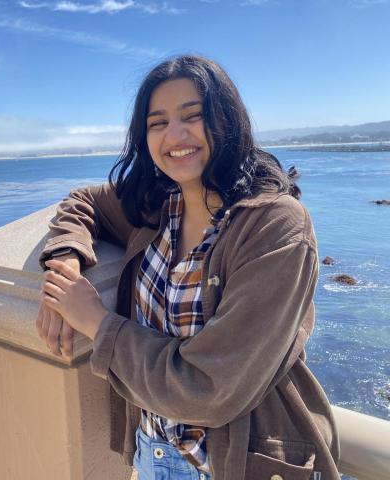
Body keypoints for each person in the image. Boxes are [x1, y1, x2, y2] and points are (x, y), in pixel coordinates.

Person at [36, 55, 340, 480]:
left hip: (232, 465)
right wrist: (66, 262)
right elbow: (81, 201)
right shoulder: (160, 206)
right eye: (157, 123)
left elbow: (210, 388)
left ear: (226, 122)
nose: (174, 135)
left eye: (192, 117)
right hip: (151, 452)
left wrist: (96, 322)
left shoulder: (274, 224)